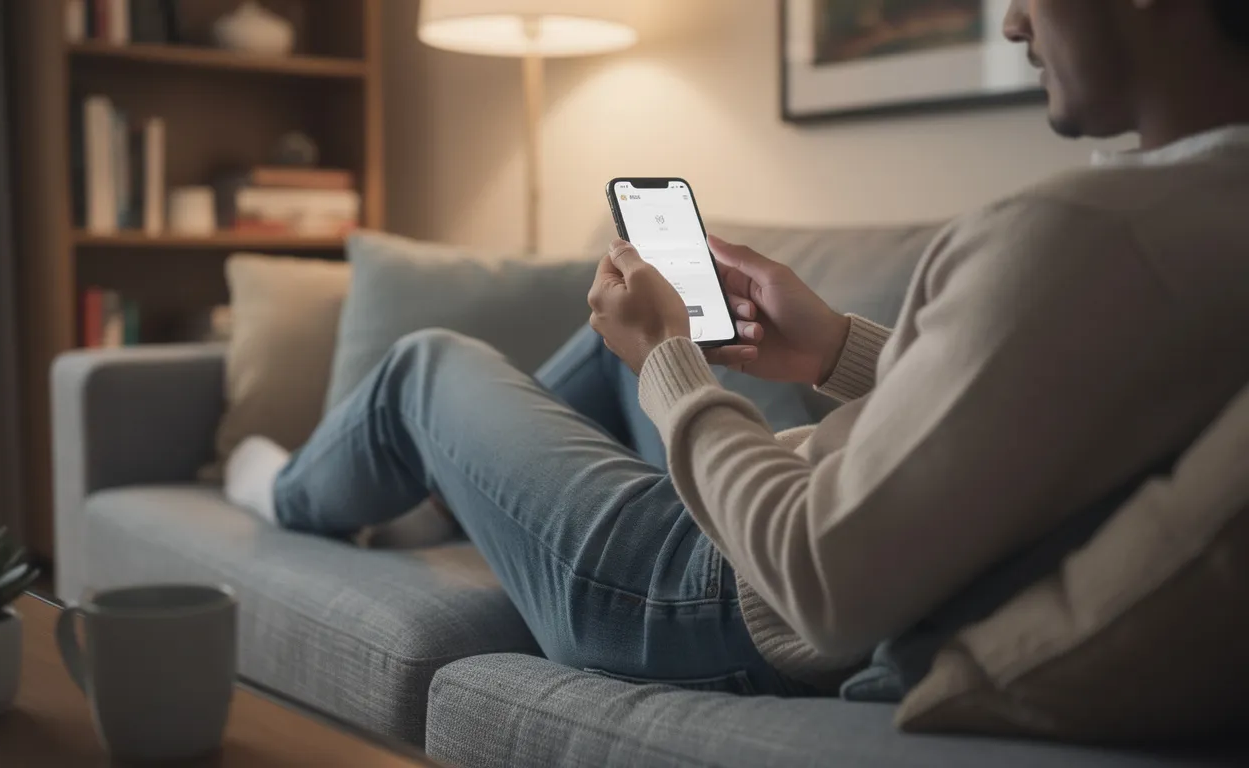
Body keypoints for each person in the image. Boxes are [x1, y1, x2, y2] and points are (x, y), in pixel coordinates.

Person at [225, 0, 1249, 700]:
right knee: (598, 356)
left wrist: (671, 358)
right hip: (784, 511)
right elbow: (1024, 420)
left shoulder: (1083, 233)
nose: (1017, 20)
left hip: (701, 594)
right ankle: (451, 506)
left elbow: (824, 579)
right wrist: (836, 348)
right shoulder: (1202, 223)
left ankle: (287, 494)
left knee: (421, 368)